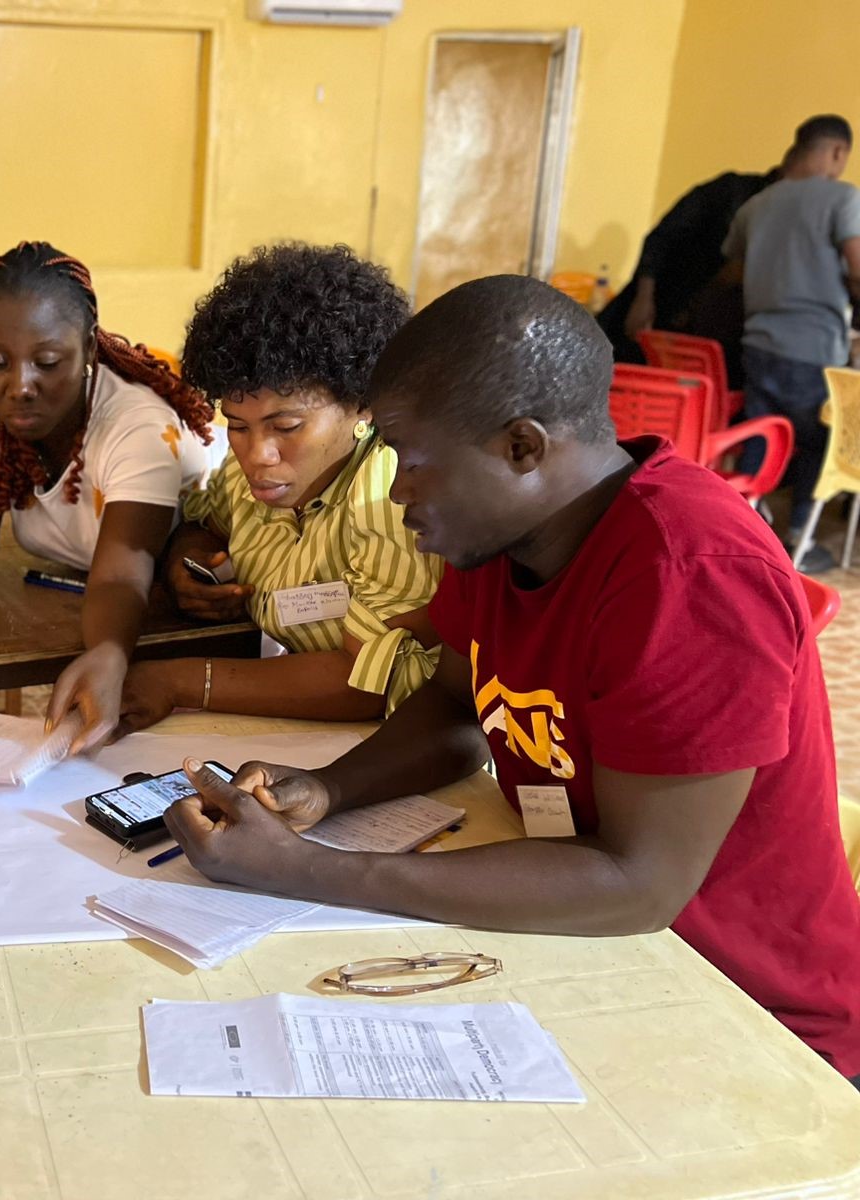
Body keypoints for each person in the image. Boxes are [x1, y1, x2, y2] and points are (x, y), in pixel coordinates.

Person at [162, 274, 860, 1084]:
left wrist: (310, 870)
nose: (399, 495)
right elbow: (459, 707)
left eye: (411, 463)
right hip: (595, 947)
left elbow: (640, 886)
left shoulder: (687, 573)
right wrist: (329, 791)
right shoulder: (501, 535)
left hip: (749, 1018)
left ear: (522, 448)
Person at [0, 240, 215, 753]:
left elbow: (119, 573)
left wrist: (110, 653)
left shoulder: (137, 429)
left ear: (91, 347)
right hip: (99, 589)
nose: (19, 385)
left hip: (182, 605)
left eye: (47, 361)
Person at [116, 244, 441, 735]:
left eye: (286, 426)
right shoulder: (248, 472)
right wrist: (191, 563)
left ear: (363, 405)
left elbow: (364, 682)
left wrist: (184, 680)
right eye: (238, 426)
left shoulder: (391, 494)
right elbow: (206, 521)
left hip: (396, 741)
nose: (257, 455)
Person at [721, 113, 860, 566]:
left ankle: (740, 528)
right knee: (820, 440)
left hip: (759, 343)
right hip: (814, 346)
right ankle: (799, 537)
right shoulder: (843, 199)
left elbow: (735, 274)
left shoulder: (754, 207)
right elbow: (858, 269)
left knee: (763, 435)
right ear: (837, 152)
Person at [597, 150, 781, 379]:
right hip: (656, 310)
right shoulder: (729, 190)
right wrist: (644, 297)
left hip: (700, 338)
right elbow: (661, 237)